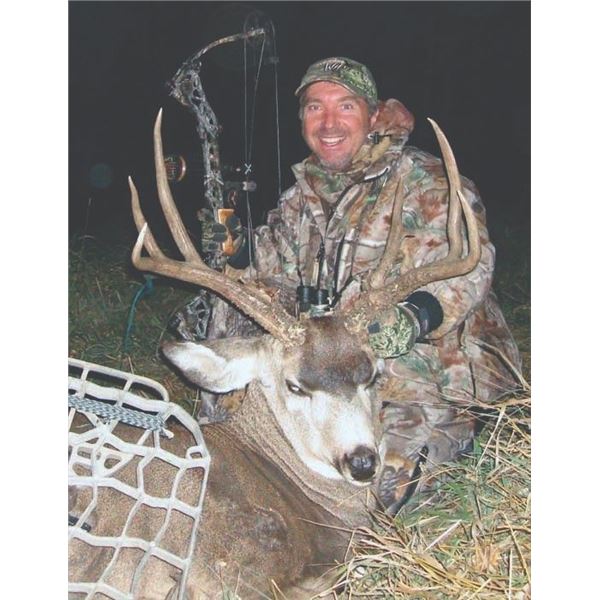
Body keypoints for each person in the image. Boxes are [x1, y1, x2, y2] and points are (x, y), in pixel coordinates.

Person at [191, 57, 522, 513]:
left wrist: (417, 314)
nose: (328, 123)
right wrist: (240, 250)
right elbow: (277, 262)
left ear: (374, 115)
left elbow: (469, 263)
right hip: (336, 371)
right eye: (315, 108)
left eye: (345, 106)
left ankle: (466, 431)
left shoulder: (427, 181)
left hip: (431, 372)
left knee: (369, 500)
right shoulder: (301, 196)